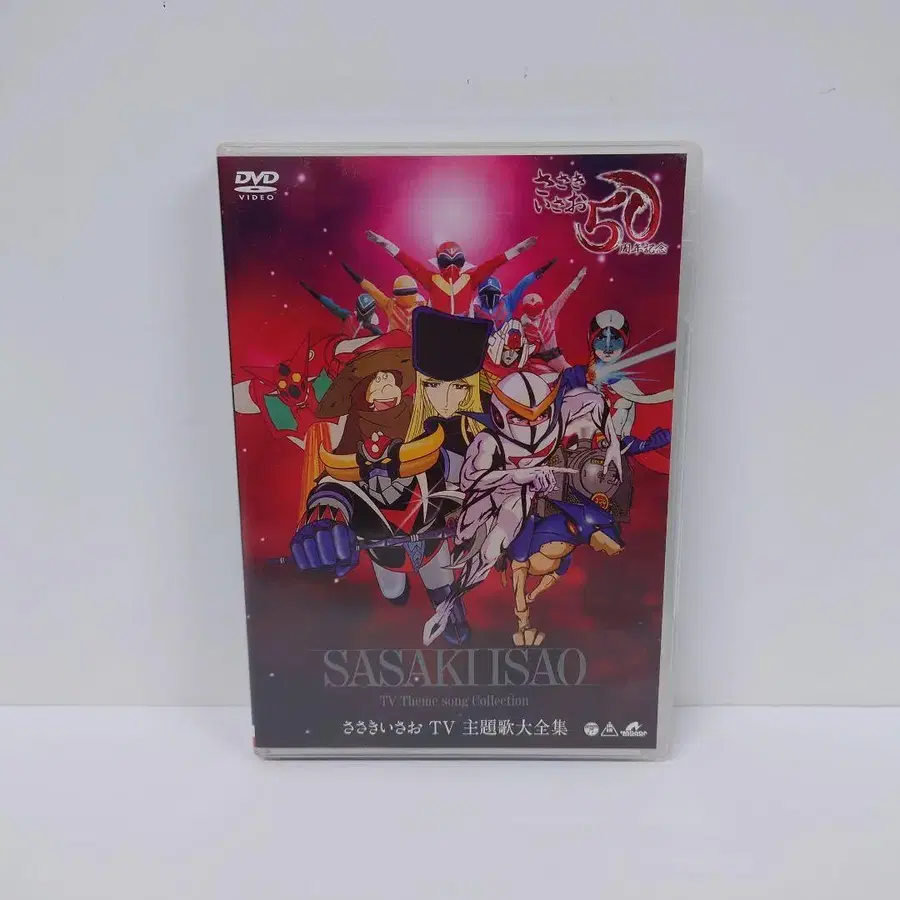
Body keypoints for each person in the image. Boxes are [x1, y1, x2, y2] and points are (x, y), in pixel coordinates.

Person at [365, 230, 537, 315]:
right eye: (446, 261)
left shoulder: (470, 278)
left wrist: (518, 249)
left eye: (457, 261)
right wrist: (385, 244)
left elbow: (494, 263)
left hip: (463, 332)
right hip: (438, 333)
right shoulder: (431, 279)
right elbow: (406, 260)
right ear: (439, 262)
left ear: (463, 262)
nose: (452, 267)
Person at [341, 262, 429, 334]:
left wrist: (356, 277)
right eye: (403, 292)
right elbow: (372, 290)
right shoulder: (423, 306)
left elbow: (373, 290)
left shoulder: (391, 305)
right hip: (395, 345)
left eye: (407, 292)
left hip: (407, 346)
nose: (405, 295)